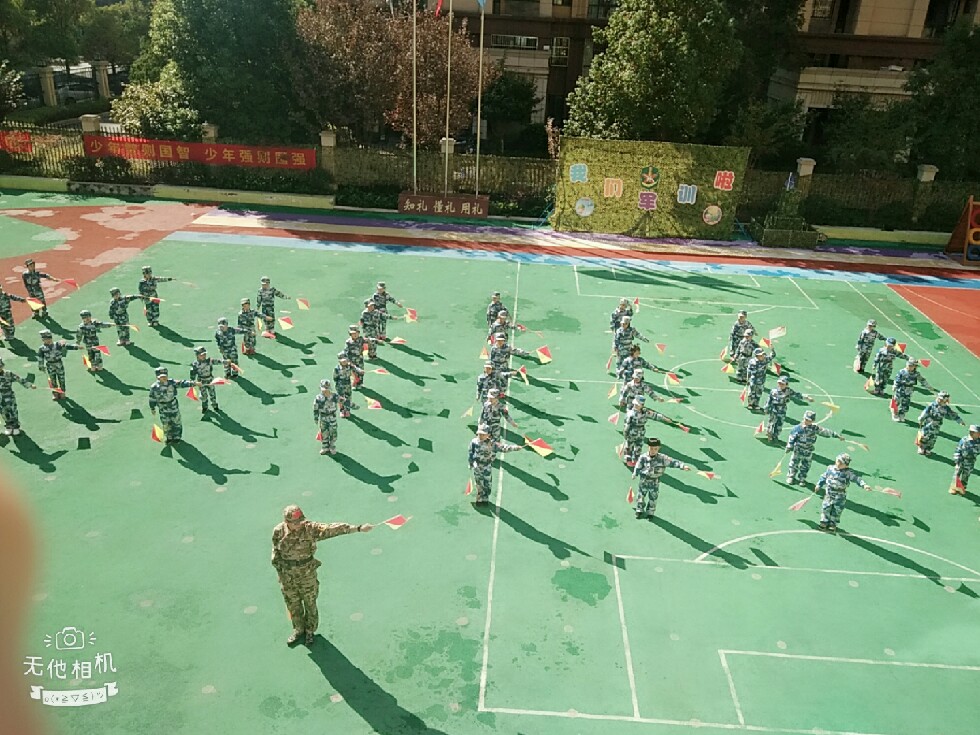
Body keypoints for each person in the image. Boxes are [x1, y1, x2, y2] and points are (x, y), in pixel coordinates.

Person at [271, 505, 373, 647]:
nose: (299, 524)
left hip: (306, 574)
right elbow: (276, 553)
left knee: (310, 603)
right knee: (292, 604)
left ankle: (310, 631)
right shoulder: (278, 531)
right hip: (287, 576)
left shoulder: (310, 529)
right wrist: (280, 573)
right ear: (287, 522)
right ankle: (298, 629)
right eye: (295, 522)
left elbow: (331, 529)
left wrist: (358, 528)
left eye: (300, 521)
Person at [632, 437, 691, 519]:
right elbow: (638, 465)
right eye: (651, 448)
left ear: (659, 448)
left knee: (653, 498)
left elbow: (673, 462)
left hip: (654, 481)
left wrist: (682, 466)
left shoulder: (662, 458)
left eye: (655, 449)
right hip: (644, 480)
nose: (653, 450)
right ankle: (639, 510)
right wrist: (635, 473)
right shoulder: (643, 457)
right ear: (648, 447)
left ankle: (650, 512)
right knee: (640, 496)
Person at [784, 410, 845, 485]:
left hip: (808, 451)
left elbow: (825, 432)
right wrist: (789, 446)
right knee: (793, 464)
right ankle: (791, 476)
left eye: (809, 421)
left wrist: (836, 435)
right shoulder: (797, 428)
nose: (807, 422)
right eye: (806, 419)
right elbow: (791, 437)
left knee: (806, 466)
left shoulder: (814, 428)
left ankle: (802, 478)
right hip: (798, 450)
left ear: (813, 421)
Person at [468, 424, 523, 505]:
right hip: (477, 466)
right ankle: (479, 499)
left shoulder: (491, 444)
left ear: (488, 435)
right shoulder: (474, 442)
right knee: (479, 484)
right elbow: (471, 452)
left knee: (487, 484)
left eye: (483, 434)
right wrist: (471, 463)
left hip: (487, 466)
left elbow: (503, 447)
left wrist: (515, 447)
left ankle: (485, 499)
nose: (481, 436)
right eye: (479, 434)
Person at [816, 453, 871, 532]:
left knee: (837, 510)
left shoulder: (848, 473)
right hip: (829, 492)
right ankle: (824, 522)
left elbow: (856, 479)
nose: (839, 464)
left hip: (840, 495)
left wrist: (864, 485)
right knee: (826, 507)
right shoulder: (830, 468)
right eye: (838, 461)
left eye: (841, 463)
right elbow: (824, 477)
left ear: (846, 465)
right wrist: (819, 485)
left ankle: (833, 524)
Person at [148, 367, 197, 445]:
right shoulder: (154, 387)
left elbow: (182, 383)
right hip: (163, 408)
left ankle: (177, 437)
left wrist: (194, 383)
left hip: (173, 406)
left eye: (165, 376)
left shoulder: (172, 383)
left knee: (176, 422)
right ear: (157, 377)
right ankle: (169, 437)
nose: (164, 378)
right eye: (161, 377)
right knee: (166, 423)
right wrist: (152, 408)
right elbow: (152, 398)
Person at [622, 396, 675, 467]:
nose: (636, 406)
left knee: (639, 446)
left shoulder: (645, 412)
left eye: (638, 405)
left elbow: (655, 415)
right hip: (632, 432)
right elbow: (627, 425)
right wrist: (625, 434)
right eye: (636, 404)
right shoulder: (630, 414)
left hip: (641, 432)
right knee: (629, 446)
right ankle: (628, 459)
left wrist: (665, 418)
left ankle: (636, 459)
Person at [763, 375, 812, 442]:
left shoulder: (788, 391)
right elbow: (769, 400)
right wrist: (766, 408)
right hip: (774, 409)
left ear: (786, 384)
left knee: (779, 424)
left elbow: (797, 395)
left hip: (782, 410)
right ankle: (769, 435)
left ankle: (775, 435)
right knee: (771, 423)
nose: (780, 385)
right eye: (779, 383)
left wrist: (807, 397)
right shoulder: (773, 391)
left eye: (782, 384)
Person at [916, 391, 965, 456]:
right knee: (925, 436)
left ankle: (928, 449)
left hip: (937, 425)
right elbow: (925, 412)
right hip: (928, 423)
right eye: (940, 399)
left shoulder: (946, 408)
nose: (940, 401)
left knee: (933, 438)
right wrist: (921, 418)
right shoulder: (932, 405)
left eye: (942, 400)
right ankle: (921, 447)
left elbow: (952, 415)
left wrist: (959, 421)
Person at [37, 329, 79, 400]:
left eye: (46, 339)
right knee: (52, 380)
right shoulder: (42, 348)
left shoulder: (57, 345)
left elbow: (67, 346)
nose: (45, 341)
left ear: (50, 338)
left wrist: (76, 347)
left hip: (59, 364)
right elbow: (40, 358)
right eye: (44, 339)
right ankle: (55, 393)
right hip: (50, 365)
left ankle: (62, 392)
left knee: (61, 379)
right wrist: (41, 366)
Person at [0, 358, 36, 435]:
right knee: (3, 412)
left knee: (13, 411)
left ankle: (16, 427)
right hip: (0, 397)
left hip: (9, 395)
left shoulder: (8, 374)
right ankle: (9, 426)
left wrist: (30, 385)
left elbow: (19, 379)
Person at [313, 379, 343, 455]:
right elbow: (315, 408)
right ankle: (325, 447)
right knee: (324, 433)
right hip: (323, 418)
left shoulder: (334, 396)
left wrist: (351, 405)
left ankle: (332, 447)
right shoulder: (318, 398)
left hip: (332, 417)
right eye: (323, 390)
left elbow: (343, 401)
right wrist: (316, 418)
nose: (325, 391)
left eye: (326, 390)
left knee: (333, 433)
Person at [190, 347, 222, 414]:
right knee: (203, 395)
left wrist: (225, 362)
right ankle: (205, 407)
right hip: (201, 382)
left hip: (210, 380)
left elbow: (218, 361)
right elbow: (193, 374)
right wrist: (192, 382)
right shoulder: (195, 364)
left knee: (212, 394)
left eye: (204, 354)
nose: (204, 356)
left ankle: (214, 405)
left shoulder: (209, 361)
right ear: (197, 356)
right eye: (201, 355)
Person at [951, 425, 980, 495]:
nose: (971, 433)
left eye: (975, 432)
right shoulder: (964, 440)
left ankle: (962, 487)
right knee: (957, 474)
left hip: (970, 461)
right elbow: (958, 449)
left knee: (966, 475)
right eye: (971, 431)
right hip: (961, 460)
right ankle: (954, 487)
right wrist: (956, 459)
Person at [745, 346, 776, 410]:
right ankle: (750, 404)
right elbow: (749, 370)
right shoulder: (752, 362)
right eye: (761, 355)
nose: (763, 356)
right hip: (753, 380)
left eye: (763, 355)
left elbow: (772, 356)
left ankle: (756, 404)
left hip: (761, 380)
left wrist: (772, 349)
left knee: (759, 393)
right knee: (751, 393)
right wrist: (748, 378)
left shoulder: (765, 360)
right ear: (757, 356)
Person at [333, 353, 361, 418]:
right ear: (339, 361)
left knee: (348, 397)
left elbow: (355, 369)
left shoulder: (349, 366)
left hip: (348, 384)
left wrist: (359, 372)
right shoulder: (337, 368)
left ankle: (347, 410)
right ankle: (342, 410)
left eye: (345, 360)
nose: (344, 362)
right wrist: (339, 384)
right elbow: (335, 378)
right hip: (340, 385)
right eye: (343, 361)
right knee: (341, 398)